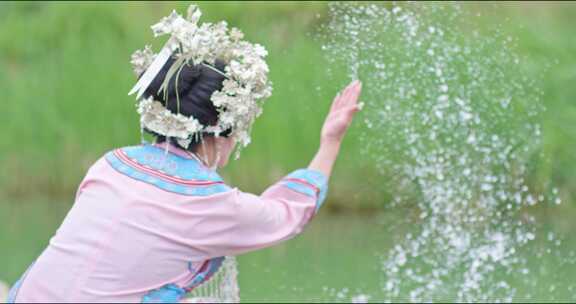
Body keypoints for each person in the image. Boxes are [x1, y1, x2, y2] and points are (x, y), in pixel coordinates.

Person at [7, 5, 362, 303]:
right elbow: (289, 213)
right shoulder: (210, 203)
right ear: (223, 134)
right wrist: (330, 142)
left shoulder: (112, 164)